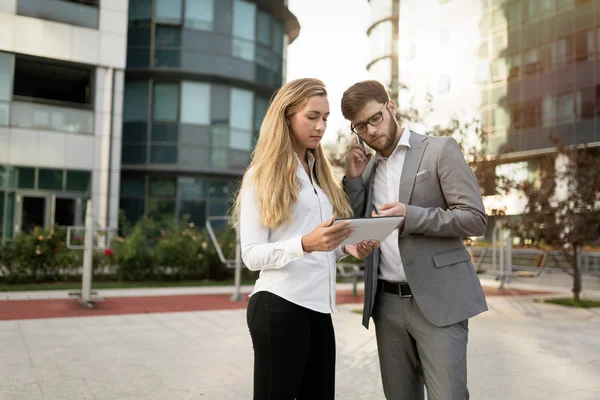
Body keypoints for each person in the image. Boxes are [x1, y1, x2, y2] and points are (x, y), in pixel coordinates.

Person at [341, 80, 488, 400]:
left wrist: (413, 216)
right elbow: (358, 229)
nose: (370, 131)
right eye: (360, 127)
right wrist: (353, 182)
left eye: (375, 118)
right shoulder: (365, 170)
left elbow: (475, 219)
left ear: (390, 106)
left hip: (438, 301)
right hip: (386, 304)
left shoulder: (439, 150)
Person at [233, 78, 377, 400]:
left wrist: (347, 247)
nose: (320, 126)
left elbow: (321, 240)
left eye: (325, 118)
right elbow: (252, 255)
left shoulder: (320, 173)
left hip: (319, 310)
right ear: (287, 116)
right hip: (279, 307)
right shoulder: (262, 175)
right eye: (312, 116)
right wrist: (305, 244)